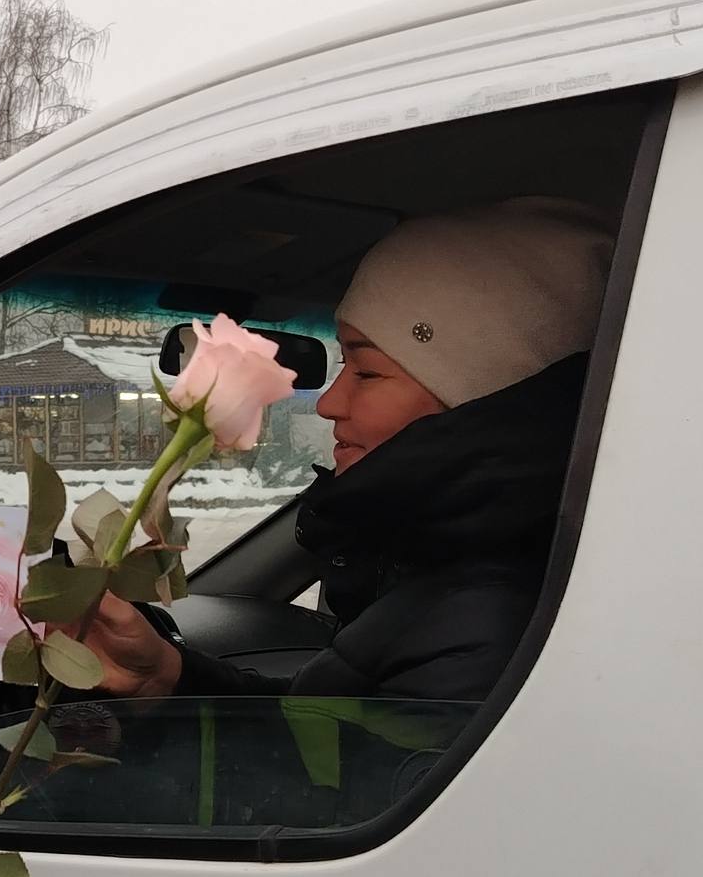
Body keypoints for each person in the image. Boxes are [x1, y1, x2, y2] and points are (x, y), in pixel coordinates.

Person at [75, 198, 612, 704]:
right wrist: (165, 677)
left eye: (368, 371)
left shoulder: (488, 630)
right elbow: (324, 742)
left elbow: (330, 796)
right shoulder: (443, 580)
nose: (328, 403)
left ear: (484, 399)